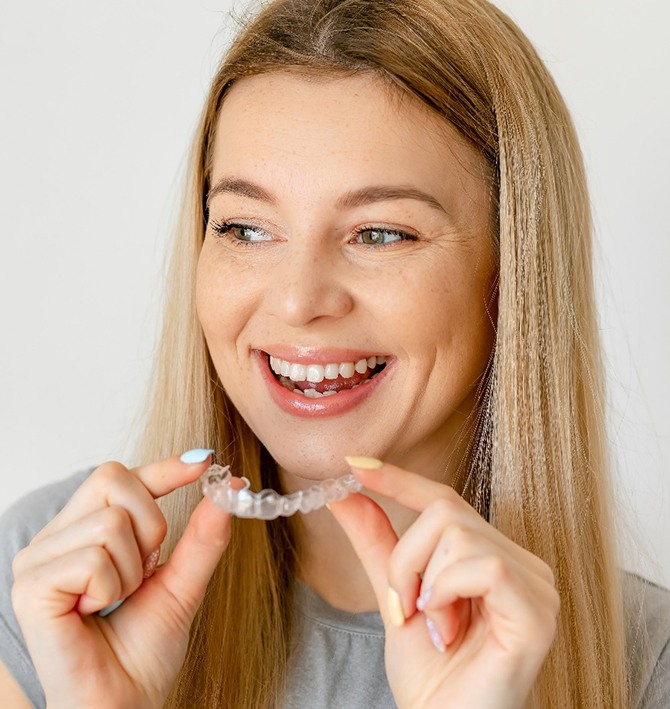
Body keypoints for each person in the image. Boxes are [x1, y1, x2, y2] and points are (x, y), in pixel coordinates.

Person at [1, 0, 668, 706]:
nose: (297, 299)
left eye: (379, 234)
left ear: (514, 271)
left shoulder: (648, 666)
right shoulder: (50, 581)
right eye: (246, 228)